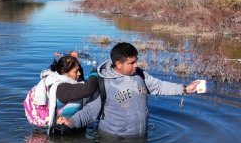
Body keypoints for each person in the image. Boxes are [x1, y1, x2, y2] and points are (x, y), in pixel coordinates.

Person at [58, 42, 201, 136]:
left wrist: (185, 89)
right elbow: (90, 111)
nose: (136, 65)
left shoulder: (140, 75)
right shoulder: (103, 82)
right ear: (118, 64)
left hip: (141, 137)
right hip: (113, 141)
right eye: (131, 63)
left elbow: (159, 86)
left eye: (136, 61)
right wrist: (71, 122)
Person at [24, 54, 98, 131]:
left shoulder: (57, 78)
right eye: (76, 71)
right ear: (64, 72)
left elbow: (81, 80)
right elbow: (88, 89)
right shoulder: (62, 88)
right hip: (62, 134)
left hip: (64, 129)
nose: (79, 73)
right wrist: (95, 72)